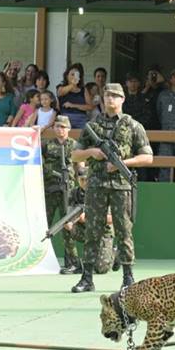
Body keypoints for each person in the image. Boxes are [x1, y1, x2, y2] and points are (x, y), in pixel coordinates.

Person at [71, 82, 153, 292]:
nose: (110, 99)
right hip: (96, 185)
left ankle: (128, 278)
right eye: (107, 95)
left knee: (124, 231)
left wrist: (123, 164)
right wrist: (92, 152)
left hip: (121, 186)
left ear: (122, 99)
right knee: (92, 231)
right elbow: (75, 154)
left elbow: (148, 157)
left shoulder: (133, 126)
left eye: (115, 96)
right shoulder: (93, 125)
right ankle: (87, 277)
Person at [42, 115, 84, 274]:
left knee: (68, 225)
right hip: (50, 190)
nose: (60, 129)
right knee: (45, 224)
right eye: (58, 126)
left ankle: (73, 262)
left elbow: (81, 167)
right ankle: (41, 258)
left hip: (68, 191)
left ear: (69, 129)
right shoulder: (47, 145)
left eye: (63, 127)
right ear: (53, 128)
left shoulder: (75, 145)